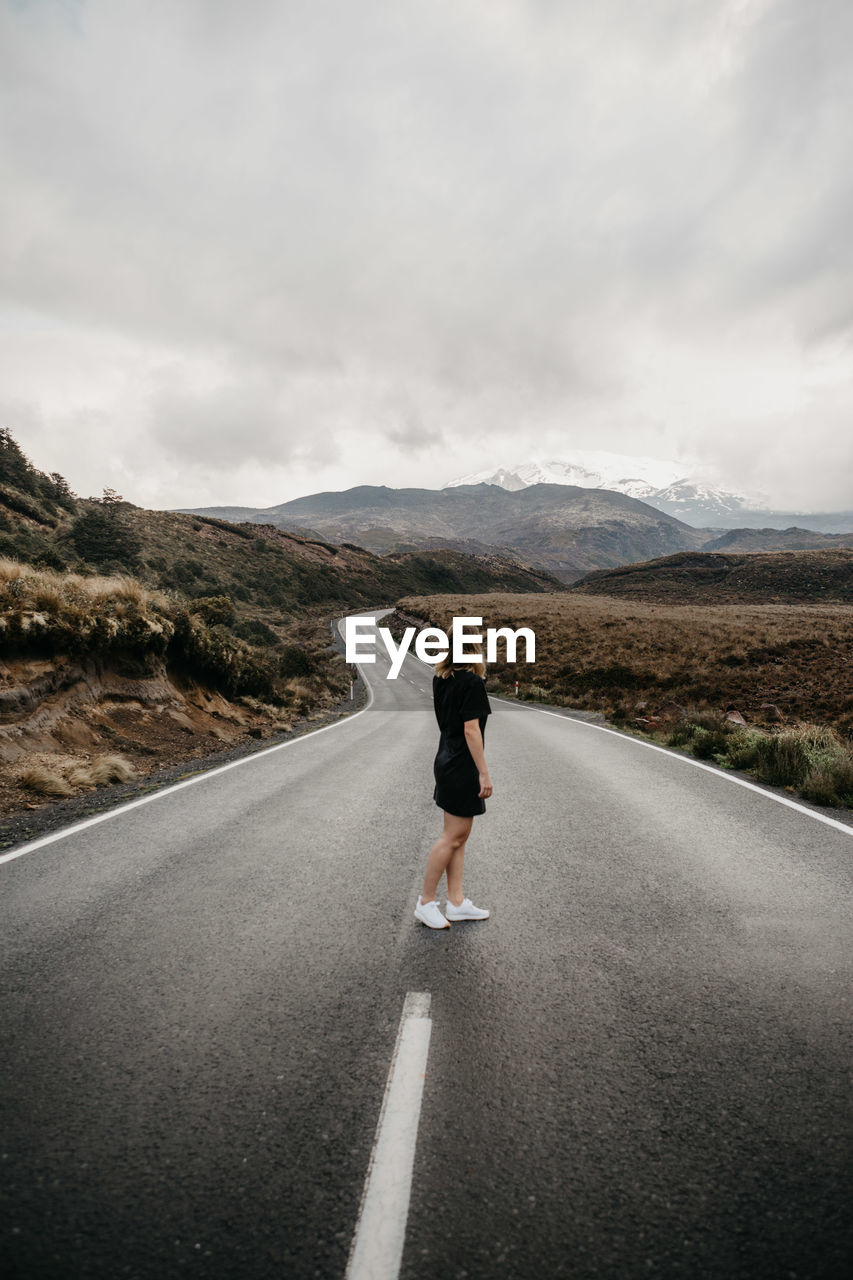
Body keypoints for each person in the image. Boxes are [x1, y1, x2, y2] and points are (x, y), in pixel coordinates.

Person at [415, 651, 493, 929]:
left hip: (446, 759)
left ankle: (456, 903)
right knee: (452, 837)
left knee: (458, 838)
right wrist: (483, 772)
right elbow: (472, 730)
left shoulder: (441, 679)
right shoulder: (472, 683)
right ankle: (425, 903)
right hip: (461, 766)